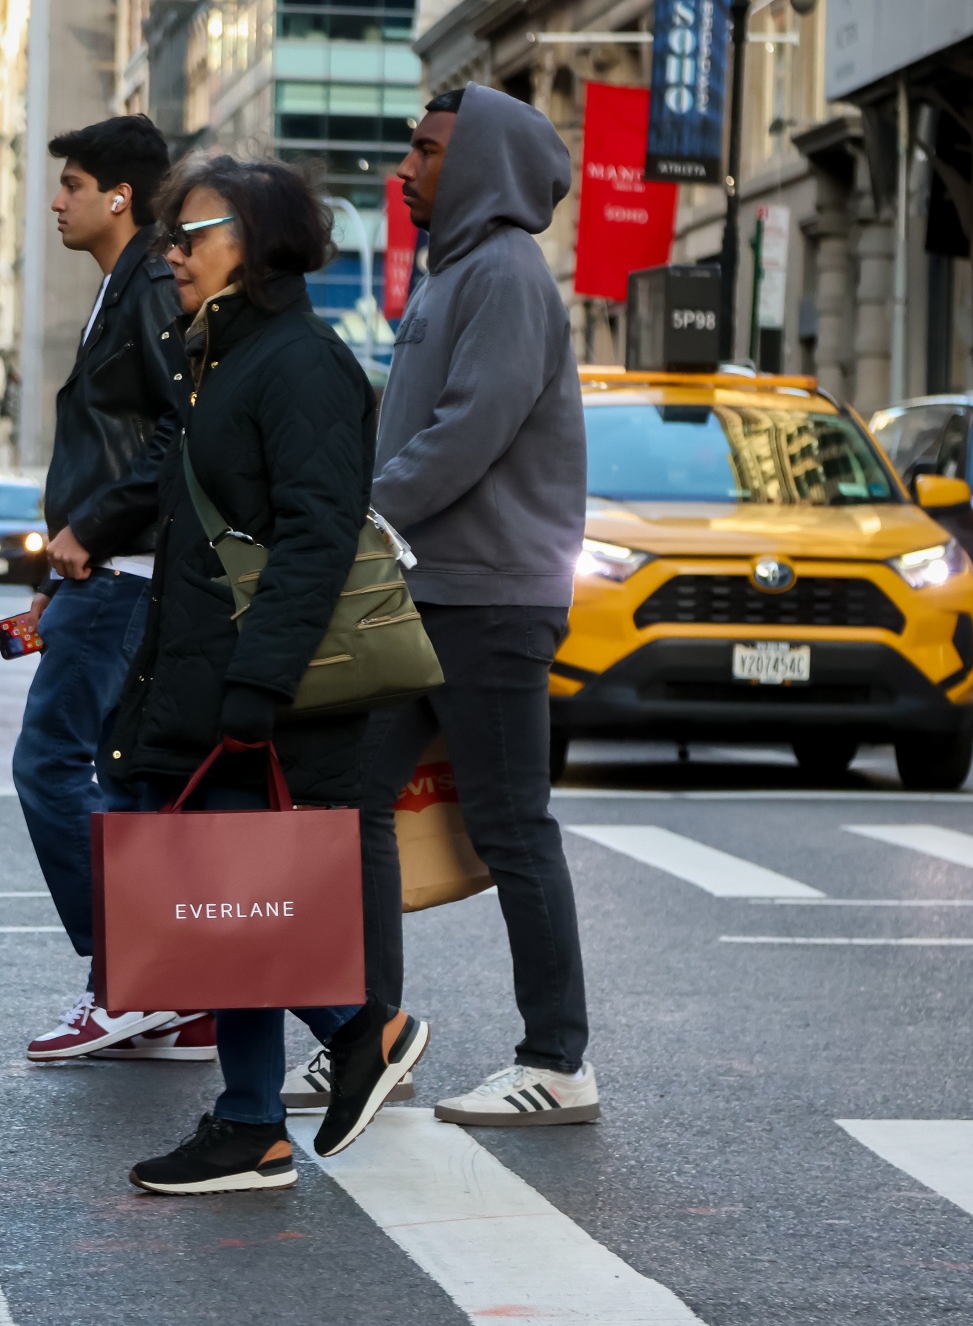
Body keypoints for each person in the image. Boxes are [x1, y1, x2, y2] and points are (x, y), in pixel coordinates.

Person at [109, 156, 427, 1197]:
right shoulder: (222, 358)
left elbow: (316, 539)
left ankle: (356, 1028)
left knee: (241, 903)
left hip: (266, 690)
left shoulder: (301, 363)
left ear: (249, 237)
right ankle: (249, 1122)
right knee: (231, 908)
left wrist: (257, 685)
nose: (169, 254)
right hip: (213, 677)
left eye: (187, 233)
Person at [342, 84, 596, 1129]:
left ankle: (557, 1056)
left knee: (509, 824)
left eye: (426, 152)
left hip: (489, 597)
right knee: (350, 798)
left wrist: (355, 516)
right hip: (431, 587)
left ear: (480, 162)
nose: (405, 168)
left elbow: (465, 430)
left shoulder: (503, 275)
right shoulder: (452, 276)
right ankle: (372, 1034)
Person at [7, 115, 206, 1064]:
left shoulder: (149, 289)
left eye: (73, 184)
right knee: (130, 785)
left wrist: (93, 528)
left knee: (51, 768)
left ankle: (142, 976)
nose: (57, 200)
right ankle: (178, 994)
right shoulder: (118, 289)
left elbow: (180, 433)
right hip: (109, 572)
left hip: (127, 573)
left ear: (119, 196)